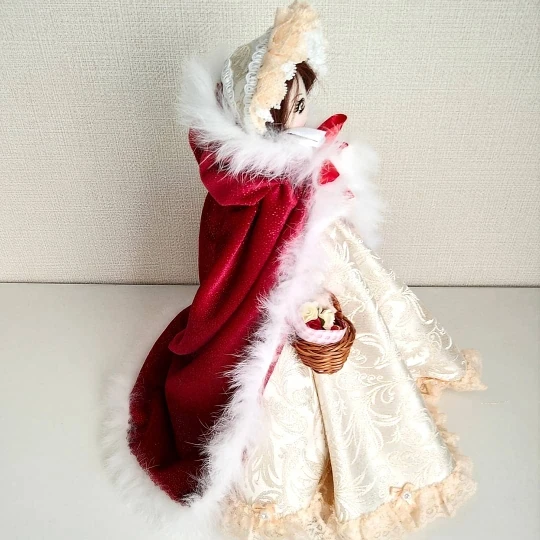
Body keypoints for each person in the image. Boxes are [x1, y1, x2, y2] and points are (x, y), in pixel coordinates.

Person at [103, 2, 487, 539]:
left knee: (359, 310)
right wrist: (305, 198)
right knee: (269, 367)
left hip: (325, 260)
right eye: (291, 109)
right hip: (277, 285)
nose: (304, 116)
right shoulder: (252, 184)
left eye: (303, 103)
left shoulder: (289, 160)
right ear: (261, 117)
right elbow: (251, 252)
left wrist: (322, 187)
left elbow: (318, 201)